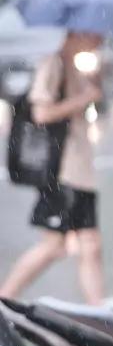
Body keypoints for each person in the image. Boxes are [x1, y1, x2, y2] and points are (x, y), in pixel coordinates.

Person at [1, 32, 105, 304]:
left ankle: (101, 316)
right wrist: (84, 98)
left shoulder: (79, 66)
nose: (101, 38)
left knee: (90, 247)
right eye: (96, 31)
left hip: (81, 173)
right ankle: (4, 298)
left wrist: (93, 88)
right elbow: (42, 113)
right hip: (63, 173)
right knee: (54, 247)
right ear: (76, 32)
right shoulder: (53, 63)